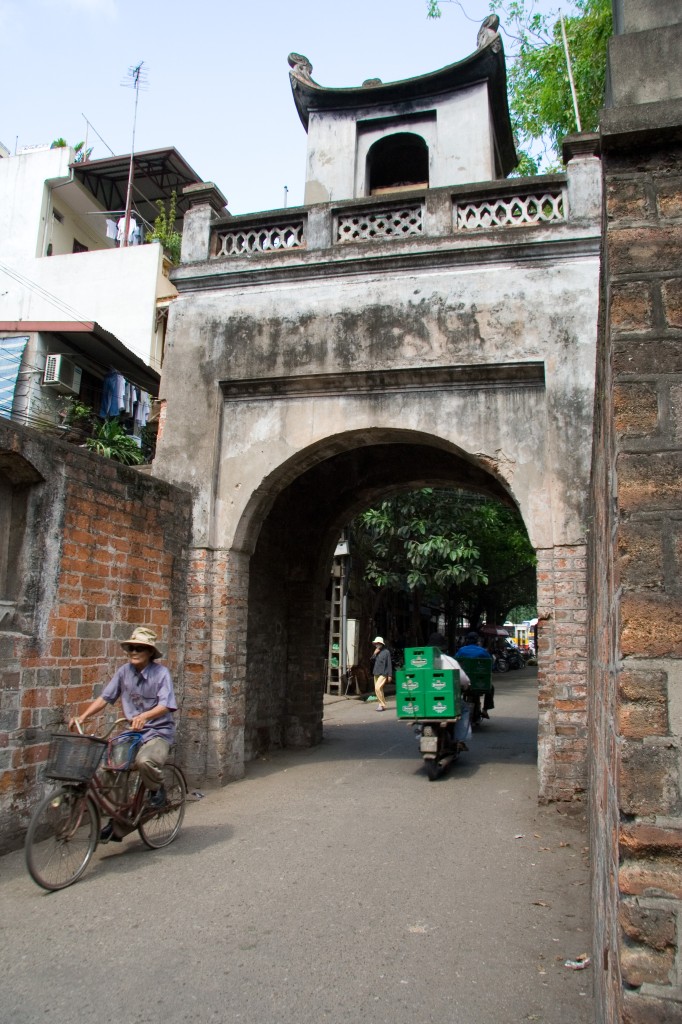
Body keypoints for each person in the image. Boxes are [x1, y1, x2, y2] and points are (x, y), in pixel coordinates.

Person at [69, 626, 177, 842]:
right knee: (111, 768)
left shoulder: (160, 673)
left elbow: (166, 704)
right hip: (133, 733)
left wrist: (145, 716)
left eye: (140, 648)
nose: (134, 652)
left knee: (145, 760)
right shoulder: (124, 672)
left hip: (158, 731)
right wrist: (83, 717)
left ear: (150, 653)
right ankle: (118, 819)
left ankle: (157, 791)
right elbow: (105, 698)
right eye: (131, 648)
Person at [427, 633, 472, 750]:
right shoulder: (449, 660)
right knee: (465, 709)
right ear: (443, 647)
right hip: (448, 702)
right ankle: (460, 740)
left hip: (425, 702)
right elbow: (464, 680)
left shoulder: (423, 662)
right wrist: (466, 686)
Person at [454, 631, 495, 719]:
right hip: (479, 682)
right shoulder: (483, 651)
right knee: (491, 688)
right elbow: (490, 664)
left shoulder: (461, 650)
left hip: (463, 681)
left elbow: (455, 661)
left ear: (467, 640)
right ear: (477, 640)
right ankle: (485, 710)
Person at [371, 636, 392, 712]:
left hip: (383, 673)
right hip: (376, 672)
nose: (376, 645)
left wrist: (389, 675)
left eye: (378, 643)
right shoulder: (376, 651)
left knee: (377, 687)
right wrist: (374, 654)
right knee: (379, 690)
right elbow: (372, 661)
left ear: (381, 644)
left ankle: (382, 704)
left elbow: (389, 663)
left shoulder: (386, 652)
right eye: (376, 643)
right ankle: (381, 704)